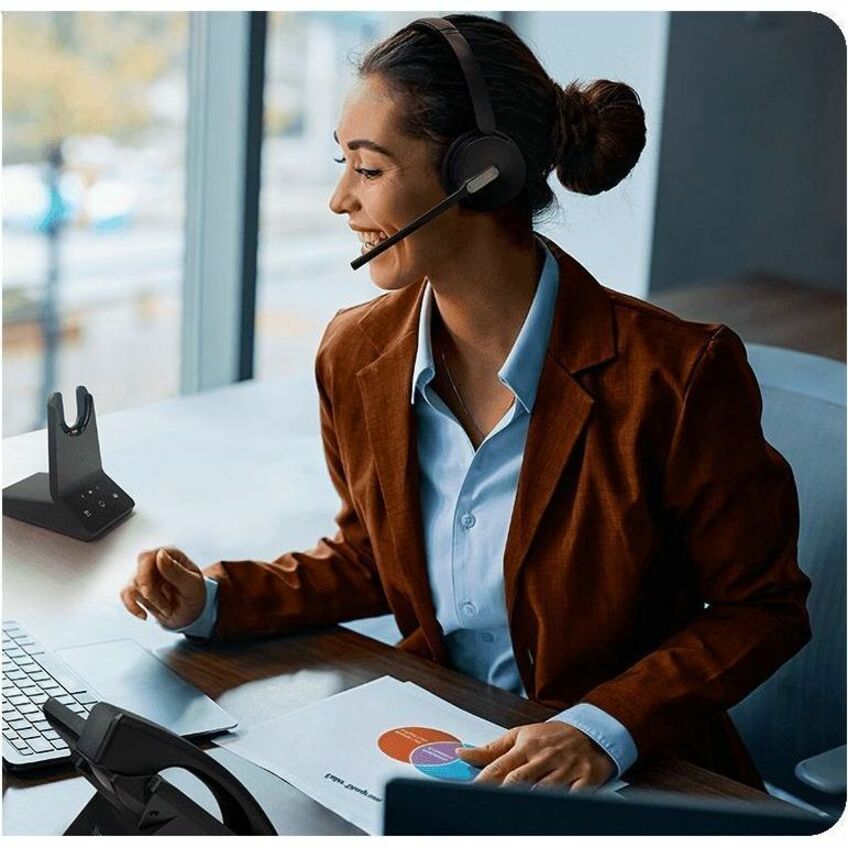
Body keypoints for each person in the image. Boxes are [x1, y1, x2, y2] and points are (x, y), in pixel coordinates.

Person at [120, 14, 811, 792]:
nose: (339, 199)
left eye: (369, 168)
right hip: (440, 740)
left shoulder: (676, 375)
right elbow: (375, 557)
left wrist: (601, 728)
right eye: (341, 163)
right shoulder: (356, 356)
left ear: (481, 174)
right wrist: (213, 600)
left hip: (632, 777)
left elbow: (765, 608)